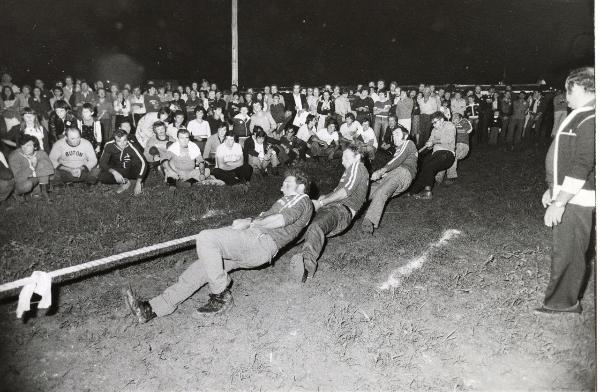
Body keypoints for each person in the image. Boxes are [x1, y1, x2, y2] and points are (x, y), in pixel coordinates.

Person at [125, 169, 313, 321]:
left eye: (287, 184)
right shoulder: (289, 200)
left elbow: (279, 220)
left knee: (206, 238)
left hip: (260, 242)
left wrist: (251, 222)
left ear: (301, 187)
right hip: (253, 243)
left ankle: (221, 293)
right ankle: (153, 308)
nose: (282, 187)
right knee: (203, 267)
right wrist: (247, 223)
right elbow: (269, 219)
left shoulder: (301, 199)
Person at [538, 67, 595, 314]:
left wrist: (560, 201)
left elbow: (582, 165)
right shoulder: (581, 114)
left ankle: (564, 303)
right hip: (567, 193)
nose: (565, 96)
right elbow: (564, 156)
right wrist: (553, 188)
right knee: (566, 248)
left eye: (568, 90)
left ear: (582, 88)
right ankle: (563, 300)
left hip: (577, 198)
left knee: (569, 251)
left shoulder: (591, 118)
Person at [289, 145, 368, 282]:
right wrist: (324, 198)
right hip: (336, 209)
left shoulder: (357, 167)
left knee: (315, 226)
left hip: (341, 210)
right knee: (301, 221)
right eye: (342, 157)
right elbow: (340, 190)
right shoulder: (350, 172)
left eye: (346, 157)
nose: (343, 161)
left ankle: (306, 269)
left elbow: (345, 192)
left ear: (358, 157)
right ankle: (277, 244)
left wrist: (322, 203)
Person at [362, 126, 417, 234]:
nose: (394, 136)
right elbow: (394, 163)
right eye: (393, 134)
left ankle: (368, 224)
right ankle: (346, 209)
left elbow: (398, 161)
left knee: (382, 192)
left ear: (405, 136)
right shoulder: (398, 150)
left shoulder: (408, 143)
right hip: (394, 175)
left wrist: (381, 171)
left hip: (403, 173)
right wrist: (383, 174)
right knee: (368, 191)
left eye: (397, 133)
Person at [408, 111, 456, 199]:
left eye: (435, 122)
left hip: (447, 154)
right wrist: (428, 145)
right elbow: (430, 143)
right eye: (432, 123)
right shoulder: (434, 130)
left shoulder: (449, 125)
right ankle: (413, 191)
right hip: (436, 154)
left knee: (429, 166)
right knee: (425, 166)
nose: (433, 125)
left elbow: (448, 139)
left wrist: (433, 142)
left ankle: (428, 193)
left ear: (441, 120)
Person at [98, 129, 147, 195]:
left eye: (124, 140)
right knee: (102, 176)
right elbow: (102, 162)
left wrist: (139, 182)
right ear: (114, 140)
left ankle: (137, 181)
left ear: (127, 138)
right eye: (119, 141)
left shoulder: (132, 146)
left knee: (139, 165)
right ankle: (125, 182)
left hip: (131, 169)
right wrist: (114, 172)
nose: (122, 143)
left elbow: (143, 163)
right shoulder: (109, 145)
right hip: (119, 168)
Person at [8, 135, 54, 200]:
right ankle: (15, 193)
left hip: (36, 177)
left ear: (35, 147)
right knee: (27, 185)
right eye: (23, 146)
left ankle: (41, 192)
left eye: (28, 145)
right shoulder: (15, 156)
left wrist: (37, 169)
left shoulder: (41, 153)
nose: (24, 148)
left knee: (43, 165)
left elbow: (50, 170)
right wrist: (32, 167)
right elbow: (17, 178)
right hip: (19, 183)